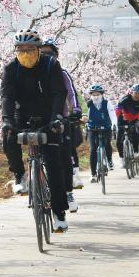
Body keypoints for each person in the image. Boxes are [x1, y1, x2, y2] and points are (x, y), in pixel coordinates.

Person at [0, 30, 70, 232]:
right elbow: (7, 97)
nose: (25, 53)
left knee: (53, 165)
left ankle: (59, 213)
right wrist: (7, 120)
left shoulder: (50, 65)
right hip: (22, 116)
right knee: (8, 135)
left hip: (49, 117)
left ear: (38, 49)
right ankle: (19, 175)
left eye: (30, 49)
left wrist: (57, 116)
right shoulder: (11, 69)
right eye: (20, 50)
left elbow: (59, 92)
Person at [40, 38, 83, 213]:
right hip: (39, 120)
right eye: (42, 53)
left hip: (60, 120)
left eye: (49, 53)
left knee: (64, 156)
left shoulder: (62, 73)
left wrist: (77, 109)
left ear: (56, 56)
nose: (45, 56)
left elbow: (71, 94)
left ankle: (68, 192)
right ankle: (37, 183)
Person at [85, 84, 118, 183]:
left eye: (97, 94)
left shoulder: (107, 103)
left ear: (101, 94)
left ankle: (110, 160)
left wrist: (113, 125)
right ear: (91, 95)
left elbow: (113, 115)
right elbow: (86, 116)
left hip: (106, 127)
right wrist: (85, 122)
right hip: (92, 128)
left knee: (107, 143)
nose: (95, 96)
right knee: (93, 150)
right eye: (93, 94)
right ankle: (93, 174)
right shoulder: (89, 104)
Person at [116, 83, 139, 159]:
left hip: (134, 119)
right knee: (119, 141)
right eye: (136, 93)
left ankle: (137, 151)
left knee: (137, 131)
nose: (137, 96)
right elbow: (117, 111)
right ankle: (122, 158)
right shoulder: (124, 100)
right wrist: (118, 120)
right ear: (131, 92)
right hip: (122, 119)